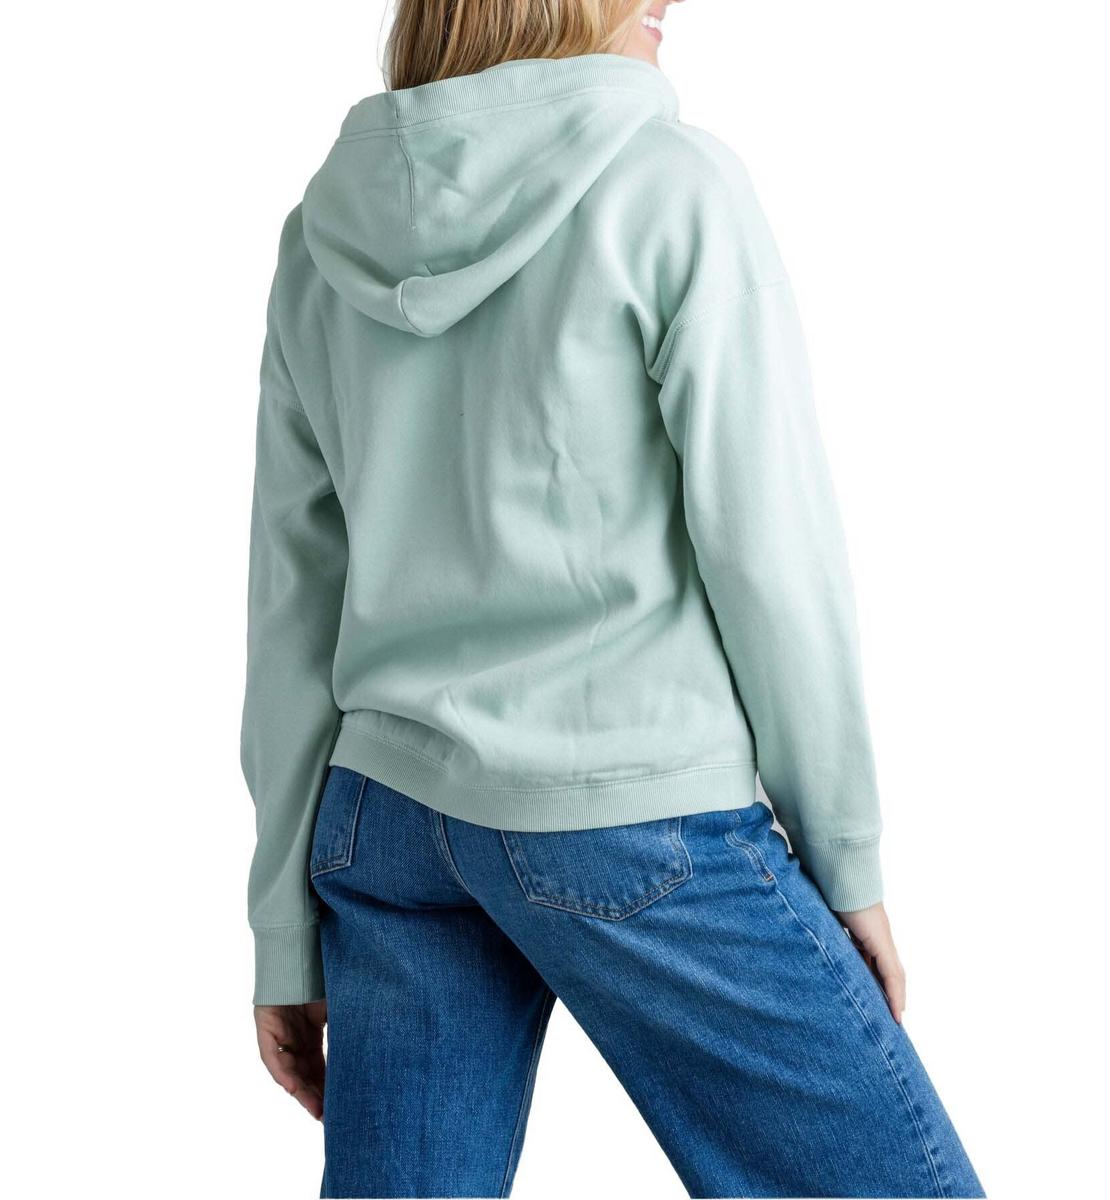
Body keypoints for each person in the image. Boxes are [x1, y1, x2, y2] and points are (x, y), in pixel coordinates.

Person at [241, 2, 987, 1196]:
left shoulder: (322, 235)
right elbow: (770, 550)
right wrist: (845, 858)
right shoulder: (670, 187)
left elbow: (292, 595)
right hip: (627, 804)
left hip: (388, 823)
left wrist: (283, 922)